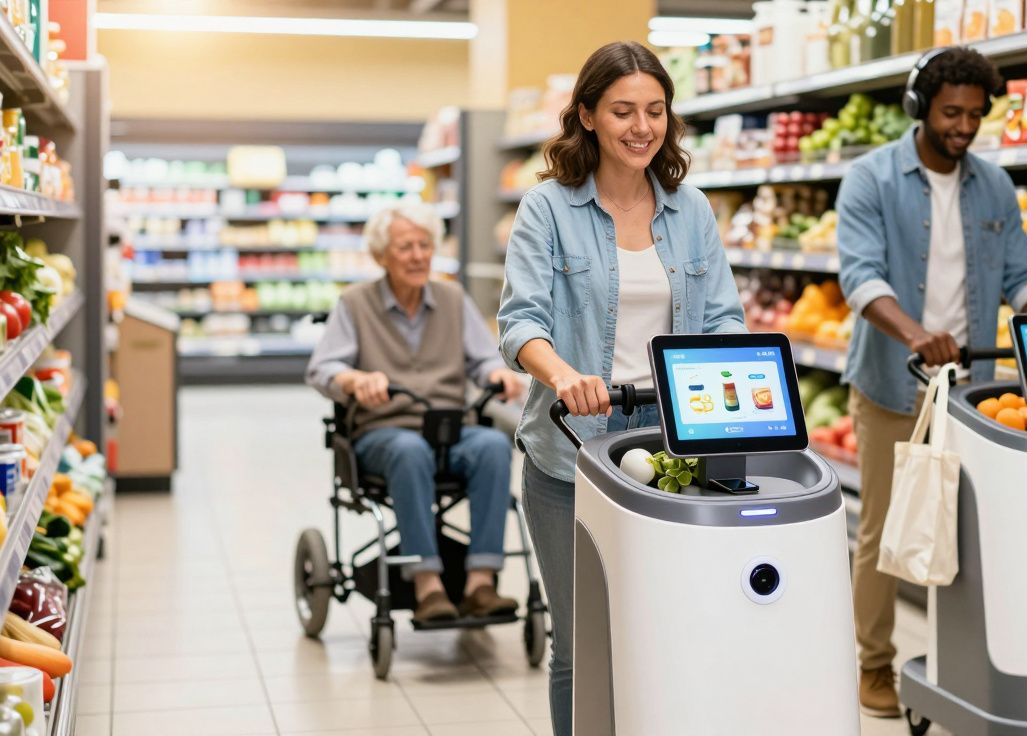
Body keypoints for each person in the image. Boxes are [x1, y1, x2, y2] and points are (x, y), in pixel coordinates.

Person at [497, 41, 745, 736]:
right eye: (623, 111)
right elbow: (521, 322)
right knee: (582, 644)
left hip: (673, 453)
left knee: (671, 629)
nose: (642, 127)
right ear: (587, 116)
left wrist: (738, 381)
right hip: (571, 455)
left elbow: (724, 319)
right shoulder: (548, 209)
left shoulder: (691, 211)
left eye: (655, 111)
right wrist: (564, 376)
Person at [836, 46, 1027, 717]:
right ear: (921, 106)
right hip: (892, 381)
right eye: (950, 113)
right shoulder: (870, 178)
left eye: (974, 115)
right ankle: (873, 664)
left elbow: (1023, 273)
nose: (963, 127)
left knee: (968, 528)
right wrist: (915, 335)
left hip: (973, 391)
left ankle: (965, 658)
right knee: (886, 529)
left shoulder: (994, 186)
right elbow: (860, 276)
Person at [306, 203, 525, 623]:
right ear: (381, 255)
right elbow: (322, 369)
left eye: (425, 245)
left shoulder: (452, 299)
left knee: (493, 446)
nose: (418, 256)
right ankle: (427, 587)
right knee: (409, 451)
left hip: (450, 430)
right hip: (382, 433)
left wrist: (498, 374)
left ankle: (480, 583)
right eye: (406, 247)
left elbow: (483, 360)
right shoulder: (355, 303)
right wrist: (354, 380)